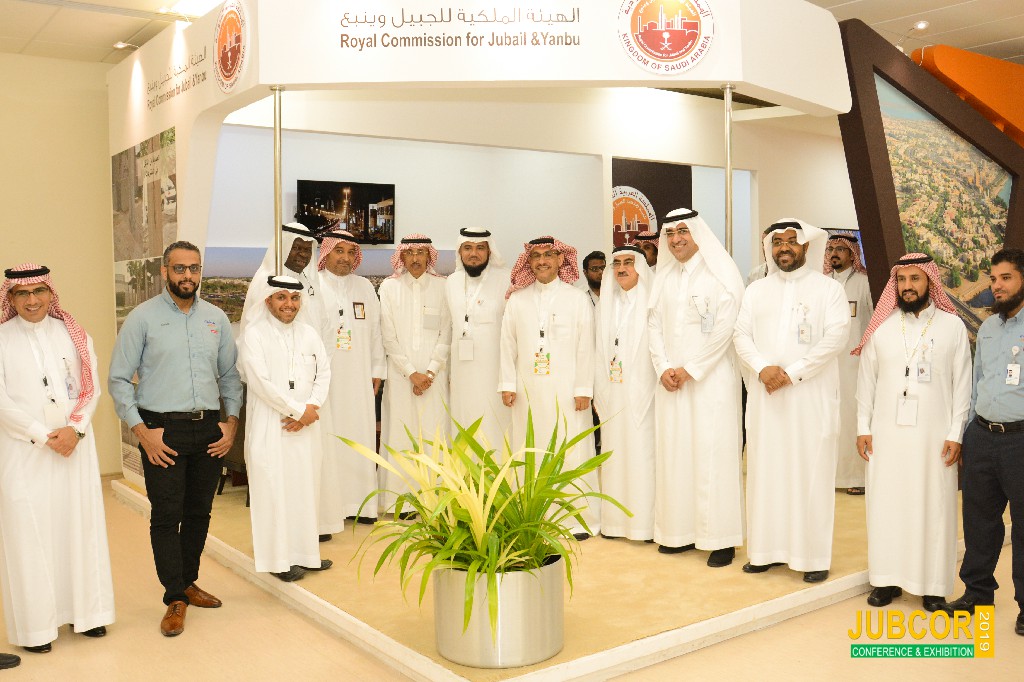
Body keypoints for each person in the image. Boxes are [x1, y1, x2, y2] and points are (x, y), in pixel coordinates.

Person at [109, 241, 243, 637]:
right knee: (168, 515)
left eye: (194, 268)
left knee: (199, 512)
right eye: (180, 268)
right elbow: (119, 379)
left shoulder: (216, 318)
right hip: (161, 431)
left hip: (208, 430)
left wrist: (231, 423)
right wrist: (141, 432)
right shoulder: (142, 318)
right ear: (165, 271)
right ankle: (174, 597)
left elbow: (229, 376)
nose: (188, 275)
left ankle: (187, 581)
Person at [0, 264, 115, 653]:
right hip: (23, 451)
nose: (32, 300)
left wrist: (75, 430)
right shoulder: (1, 338)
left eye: (39, 291)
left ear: (51, 293)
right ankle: (37, 629)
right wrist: (41, 434)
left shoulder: (73, 332)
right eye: (22, 293)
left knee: (79, 527)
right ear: (11, 298)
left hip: (74, 449)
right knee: (29, 534)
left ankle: (89, 615)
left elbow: (91, 387)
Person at [733, 219, 850, 583]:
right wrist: (762, 368)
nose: (783, 248)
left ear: (806, 247)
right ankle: (764, 552)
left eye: (791, 241)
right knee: (766, 471)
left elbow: (836, 338)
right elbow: (740, 335)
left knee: (809, 472)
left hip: (809, 398)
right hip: (766, 398)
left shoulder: (828, 289)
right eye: (777, 242)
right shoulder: (756, 291)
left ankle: (811, 557)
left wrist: (792, 373)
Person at [852, 254, 971, 611]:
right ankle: (885, 580)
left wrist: (956, 433)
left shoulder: (952, 327)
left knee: (933, 507)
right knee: (886, 504)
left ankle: (932, 586)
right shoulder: (882, 327)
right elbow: (866, 382)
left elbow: (963, 385)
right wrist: (863, 427)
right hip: (886, 436)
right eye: (901, 280)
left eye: (915, 279)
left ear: (930, 282)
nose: (907, 287)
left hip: (935, 438)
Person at [648, 209, 745, 566]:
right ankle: (680, 533)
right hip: (671, 382)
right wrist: (662, 367)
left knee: (712, 454)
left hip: (710, 382)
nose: (676, 239)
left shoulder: (721, 274)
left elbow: (726, 328)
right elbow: (653, 325)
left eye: (683, 232)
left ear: (698, 234)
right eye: (670, 233)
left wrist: (690, 369)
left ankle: (720, 539)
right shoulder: (664, 277)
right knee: (676, 454)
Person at [944, 248, 1024, 637]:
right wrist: (966, 434)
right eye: (993, 279)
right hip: (982, 436)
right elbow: (977, 383)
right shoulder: (989, 327)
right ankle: (977, 594)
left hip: (1020, 441)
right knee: (978, 522)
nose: (997, 286)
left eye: (1006, 278)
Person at [499, 236, 598, 538]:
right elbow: (507, 344)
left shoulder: (577, 299)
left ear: (560, 260)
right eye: (536, 256)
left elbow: (587, 346)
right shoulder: (517, 300)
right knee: (531, 450)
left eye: (548, 255)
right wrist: (507, 383)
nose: (542, 261)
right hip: (527, 390)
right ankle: (533, 518)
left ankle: (577, 520)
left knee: (571, 450)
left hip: (568, 391)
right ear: (528, 262)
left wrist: (584, 388)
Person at [238, 274, 332, 582]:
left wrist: (311, 407)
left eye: (294, 298)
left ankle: (306, 555)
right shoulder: (254, 335)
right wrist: (298, 411)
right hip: (271, 425)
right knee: (273, 491)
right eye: (281, 297)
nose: (288, 304)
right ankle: (278, 561)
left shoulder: (309, 334)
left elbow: (324, 372)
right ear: (268, 301)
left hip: (305, 427)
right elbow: (260, 382)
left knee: (305, 489)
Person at [315, 230, 384, 537]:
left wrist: (377, 369)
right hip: (326, 379)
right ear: (326, 252)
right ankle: (330, 509)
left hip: (359, 377)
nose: (344, 257)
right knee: (329, 441)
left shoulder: (364, 287)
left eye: (350, 252)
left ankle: (361, 506)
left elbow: (376, 332)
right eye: (338, 250)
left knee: (359, 435)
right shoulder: (314, 286)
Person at [378, 234, 451, 507]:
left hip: (435, 378)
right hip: (401, 378)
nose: (416, 258)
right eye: (410, 253)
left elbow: (447, 333)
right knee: (400, 434)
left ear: (429, 256)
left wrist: (429, 373)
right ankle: (401, 502)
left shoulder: (443, 286)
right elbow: (388, 337)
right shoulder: (389, 287)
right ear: (402, 256)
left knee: (434, 435)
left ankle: (434, 501)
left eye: (421, 252)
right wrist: (411, 373)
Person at [593, 245, 655, 541]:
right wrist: (598, 391)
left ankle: (644, 525)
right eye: (616, 264)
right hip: (613, 391)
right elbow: (597, 350)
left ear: (640, 267)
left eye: (628, 262)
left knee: (643, 455)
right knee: (614, 455)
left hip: (645, 391)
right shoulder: (606, 303)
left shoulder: (652, 301)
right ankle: (615, 524)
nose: (621, 269)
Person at [445, 227, 512, 449]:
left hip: (495, 374)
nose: (473, 254)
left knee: (495, 426)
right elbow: (449, 329)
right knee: (464, 422)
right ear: (460, 251)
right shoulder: (451, 282)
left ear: (489, 251)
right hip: (461, 373)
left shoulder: (506, 279)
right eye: (468, 248)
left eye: (480, 248)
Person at [824, 233, 874, 495]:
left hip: (855, 366)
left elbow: (875, 322)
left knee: (853, 418)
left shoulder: (864, 284)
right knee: (828, 419)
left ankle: (856, 476)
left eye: (841, 249)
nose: (834, 253)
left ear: (852, 254)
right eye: (831, 248)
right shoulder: (823, 284)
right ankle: (831, 476)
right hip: (826, 366)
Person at [241, 222, 326, 335]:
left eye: (307, 250)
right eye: (296, 248)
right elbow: (256, 330)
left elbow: (323, 325)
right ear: (284, 247)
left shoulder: (310, 284)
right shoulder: (266, 281)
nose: (303, 254)